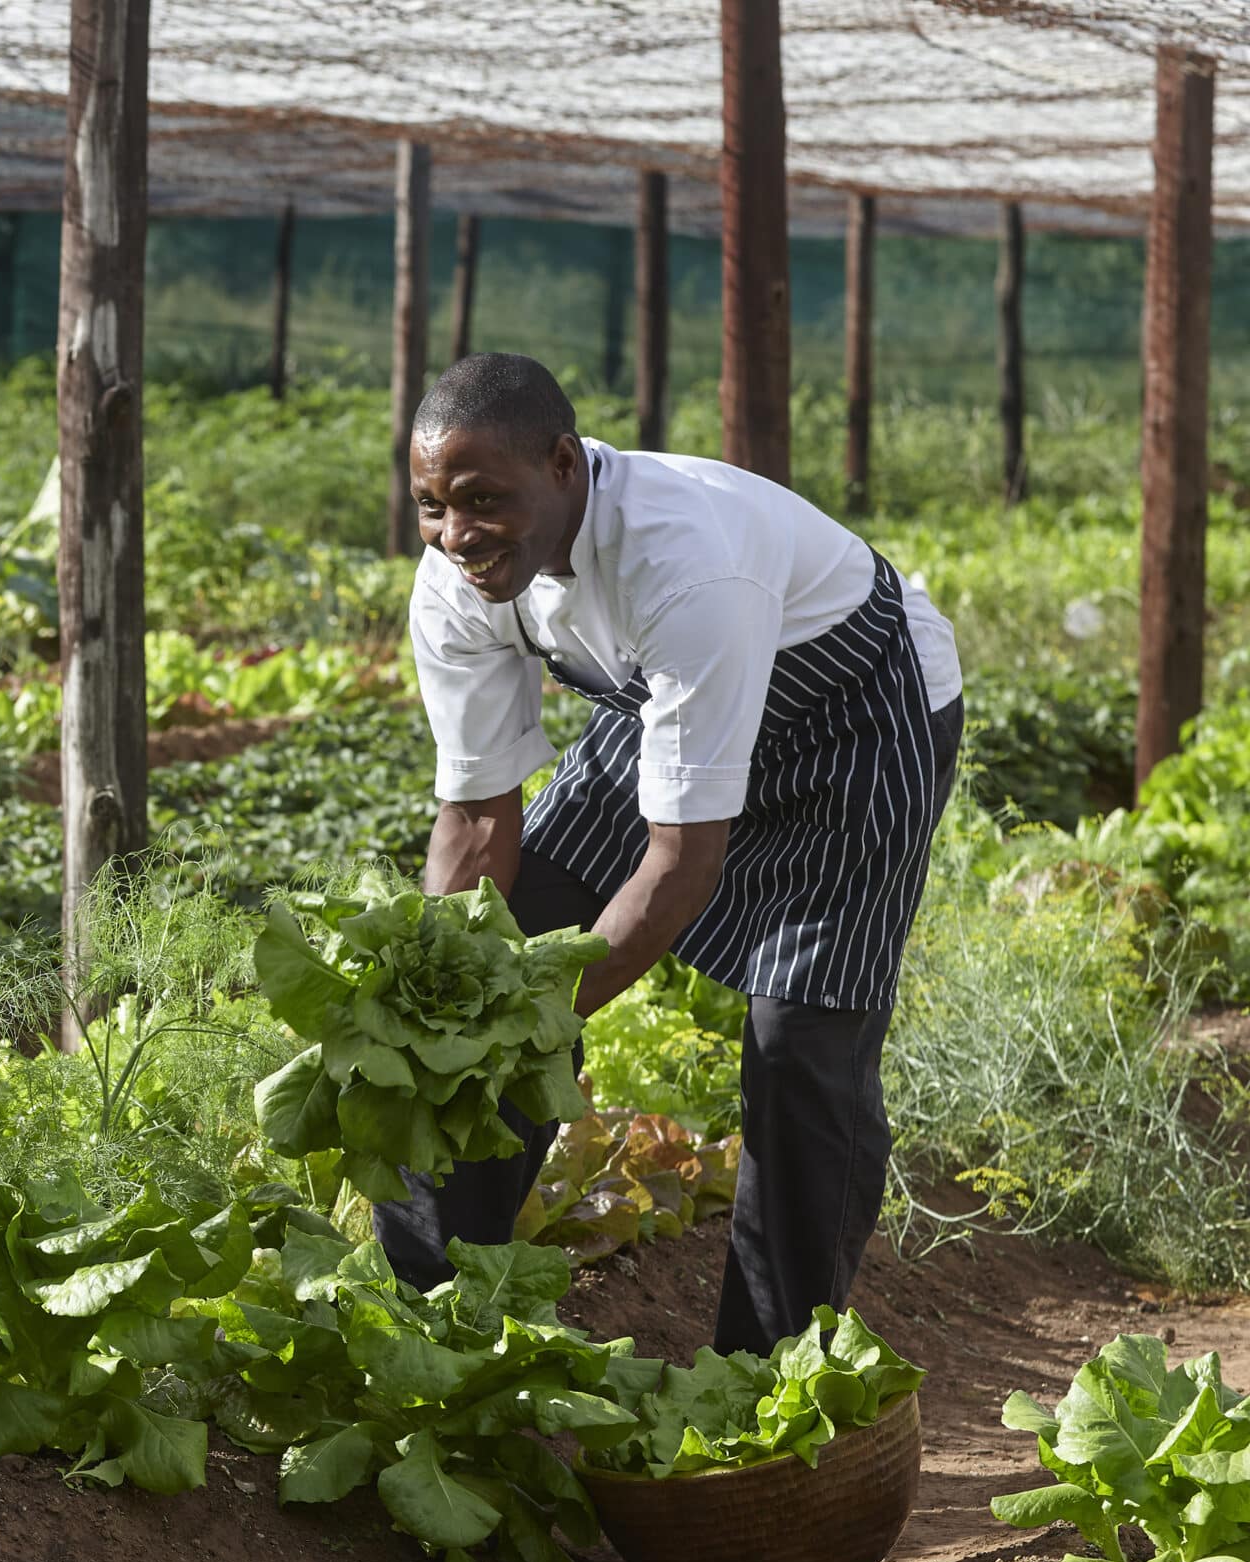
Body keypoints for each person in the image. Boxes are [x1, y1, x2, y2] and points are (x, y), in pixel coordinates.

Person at [380, 352, 965, 1354]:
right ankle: (436, 1319)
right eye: (431, 505)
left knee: (799, 1049)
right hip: (673, 707)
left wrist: (533, 1021)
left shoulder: (684, 560)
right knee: (487, 970)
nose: (455, 534)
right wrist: (448, 998)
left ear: (564, 465)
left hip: (853, 719)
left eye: (482, 499)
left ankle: (764, 1380)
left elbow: (680, 861)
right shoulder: (455, 582)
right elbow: (476, 823)